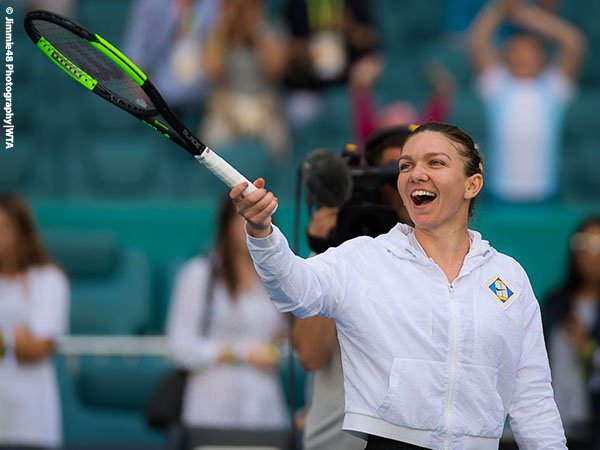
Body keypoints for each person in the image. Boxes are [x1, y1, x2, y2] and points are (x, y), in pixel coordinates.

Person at [230, 121, 566, 449]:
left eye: (435, 162)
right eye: (406, 166)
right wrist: (262, 231)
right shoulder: (363, 257)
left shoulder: (508, 275)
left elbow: (532, 395)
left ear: (472, 184)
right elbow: (294, 288)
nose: (416, 174)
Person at [295, 125, 416, 450]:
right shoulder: (339, 255)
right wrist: (326, 248)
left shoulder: (451, 259)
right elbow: (310, 355)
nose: (408, 184)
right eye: (394, 173)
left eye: (418, 169)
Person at [165, 195, 288, 429]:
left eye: (259, 217)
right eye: (242, 218)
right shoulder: (199, 273)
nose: (250, 225)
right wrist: (241, 352)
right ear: (226, 224)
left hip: (266, 408)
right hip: (212, 406)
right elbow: (179, 346)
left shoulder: (275, 278)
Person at [468, 0, 585, 203]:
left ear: (541, 56)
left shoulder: (554, 87)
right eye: (515, 51)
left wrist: (528, 15)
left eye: (528, 50)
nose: (522, 56)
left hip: (546, 190)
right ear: (505, 56)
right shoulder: (497, 85)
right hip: (499, 190)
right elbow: (478, 40)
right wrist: (500, 8)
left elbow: (574, 42)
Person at [0, 193, 70, 449]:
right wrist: (13, 338)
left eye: (3, 228)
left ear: (21, 231)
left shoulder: (48, 279)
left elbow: (39, 346)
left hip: (28, 423)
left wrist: (13, 342)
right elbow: (20, 343)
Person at [199, 0, 289, 159]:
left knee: (278, 141)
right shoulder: (217, 34)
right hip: (226, 107)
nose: (240, 11)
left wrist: (258, 29)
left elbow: (276, 69)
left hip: (263, 106)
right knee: (213, 138)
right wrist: (224, 30)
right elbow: (212, 71)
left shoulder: (270, 29)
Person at [542, 217, 600, 447]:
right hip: (555, 425)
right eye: (584, 244)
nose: (592, 254)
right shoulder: (555, 303)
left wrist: (586, 347)